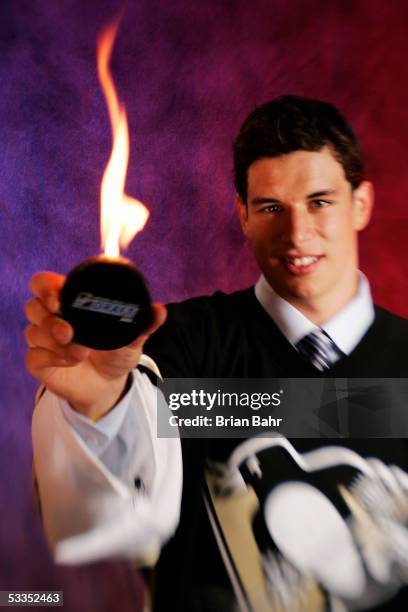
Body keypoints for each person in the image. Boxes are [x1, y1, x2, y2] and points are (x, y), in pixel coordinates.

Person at [26, 96, 408, 611]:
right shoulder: (172, 345)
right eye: (271, 207)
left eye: (320, 202)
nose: (297, 233)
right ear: (243, 214)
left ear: (361, 203)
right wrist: (100, 409)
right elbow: (112, 529)